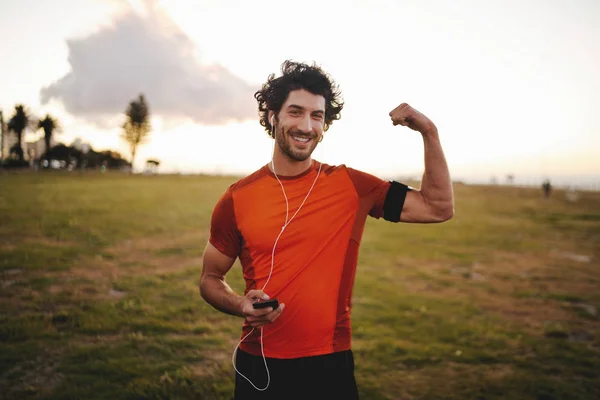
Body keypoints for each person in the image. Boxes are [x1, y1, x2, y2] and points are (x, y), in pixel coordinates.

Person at [199, 60, 454, 399]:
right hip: (259, 365)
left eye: (317, 116)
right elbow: (210, 278)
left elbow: (437, 207)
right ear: (273, 116)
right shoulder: (237, 198)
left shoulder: (352, 186)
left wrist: (429, 133)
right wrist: (240, 304)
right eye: (295, 112)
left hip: (329, 367)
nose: (306, 125)